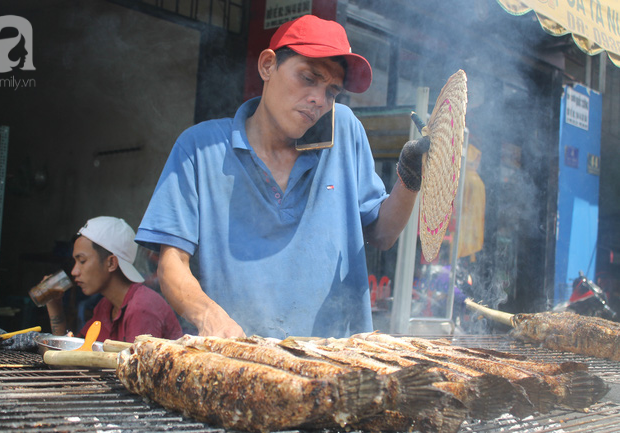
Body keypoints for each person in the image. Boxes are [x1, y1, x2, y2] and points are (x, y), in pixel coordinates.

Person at [136, 15, 430, 339]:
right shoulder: (199, 148)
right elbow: (171, 263)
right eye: (308, 78)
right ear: (267, 66)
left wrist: (409, 177)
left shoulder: (344, 130)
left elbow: (383, 234)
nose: (319, 99)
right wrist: (208, 315)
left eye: (332, 92)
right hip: (239, 364)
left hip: (338, 370)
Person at [46, 216, 183, 342]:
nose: (74, 271)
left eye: (82, 261)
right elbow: (73, 356)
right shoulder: (105, 306)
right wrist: (55, 308)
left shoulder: (142, 308)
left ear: (111, 263)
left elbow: (135, 367)